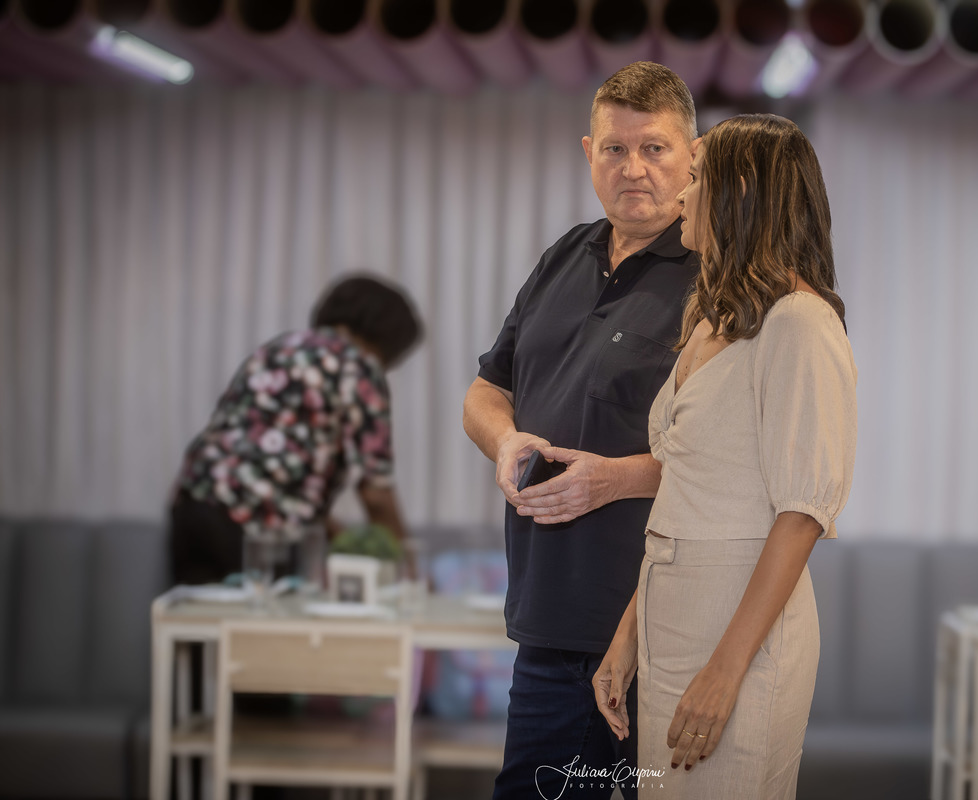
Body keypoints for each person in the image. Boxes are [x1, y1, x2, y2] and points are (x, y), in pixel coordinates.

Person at [591, 114, 857, 800]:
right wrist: (629, 636)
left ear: (739, 190)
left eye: (698, 176)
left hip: (737, 629)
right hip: (674, 615)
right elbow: (686, 493)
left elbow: (802, 514)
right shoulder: (716, 318)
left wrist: (725, 671)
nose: (682, 192)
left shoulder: (800, 322)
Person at [463, 62, 700, 799]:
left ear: (693, 154)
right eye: (616, 149)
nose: (634, 168)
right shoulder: (565, 255)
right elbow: (486, 390)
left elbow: (737, 461)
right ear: (589, 153)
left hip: (655, 624)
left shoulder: (718, 275)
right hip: (548, 615)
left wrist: (617, 478)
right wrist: (504, 440)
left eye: (655, 148)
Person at [169, 273, 422, 585]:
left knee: (196, 614)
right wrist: (408, 570)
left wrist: (339, 536)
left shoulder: (280, 349)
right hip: (256, 532)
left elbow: (276, 466)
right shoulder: (358, 366)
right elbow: (376, 494)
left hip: (193, 504)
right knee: (264, 615)